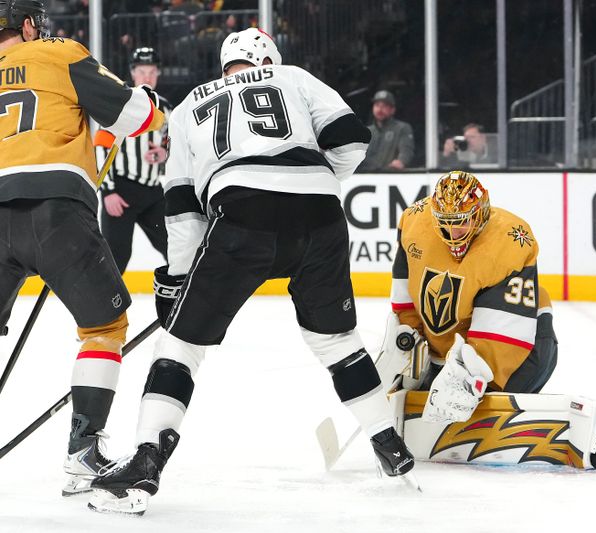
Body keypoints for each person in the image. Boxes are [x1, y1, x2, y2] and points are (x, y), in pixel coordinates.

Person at [88, 27, 414, 515]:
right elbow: (352, 141)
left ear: (225, 66)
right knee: (337, 340)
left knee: (181, 346)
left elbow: (181, 206)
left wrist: (177, 278)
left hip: (243, 215)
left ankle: (147, 460)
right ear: (270, 59)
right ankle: (390, 444)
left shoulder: (191, 104)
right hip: (320, 218)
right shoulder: (296, 77)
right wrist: (311, 179)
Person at [0, 0, 164, 495]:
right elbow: (136, 114)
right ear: (28, 26)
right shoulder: (58, 53)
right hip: (55, 207)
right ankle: (83, 451)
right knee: (104, 325)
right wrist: (154, 104)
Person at [378, 170, 596, 469]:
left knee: (470, 396)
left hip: (526, 346)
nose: (453, 235)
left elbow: (501, 336)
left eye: (461, 223)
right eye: (445, 225)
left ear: (480, 213)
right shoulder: (414, 222)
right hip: (448, 349)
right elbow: (405, 290)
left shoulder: (510, 241)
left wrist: (469, 377)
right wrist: (408, 346)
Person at [95, 47, 171, 274]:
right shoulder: (120, 103)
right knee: (116, 258)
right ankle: (106, 307)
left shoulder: (166, 108)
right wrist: (107, 192)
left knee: (175, 248)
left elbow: (172, 143)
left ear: (158, 74)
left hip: (152, 193)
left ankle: (184, 301)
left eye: (152, 72)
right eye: (142, 71)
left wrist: (165, 153)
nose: (147, 77)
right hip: (121, 191)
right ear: (133, 73)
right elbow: (101, 146)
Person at [359, 90, 415, 171]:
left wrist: (401, 161)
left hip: (390, 176)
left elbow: (406, 150)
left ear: (392, 110)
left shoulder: (402, 128)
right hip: (366, 176)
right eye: (377, 105)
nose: (380, 109)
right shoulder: (365, 131)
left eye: (384, 106)